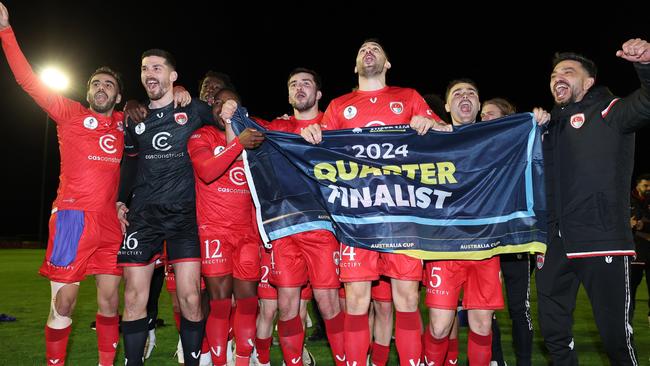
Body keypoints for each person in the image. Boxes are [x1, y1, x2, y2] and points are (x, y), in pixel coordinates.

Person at [300, 39, 450, 366]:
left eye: (376, 49)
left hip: (402, 214)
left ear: (388, 63)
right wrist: (313, 132)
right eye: (362, 50)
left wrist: (432, 125)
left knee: (407, 300)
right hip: (357, 219)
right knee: (355, 302)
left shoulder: (408, 97)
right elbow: (320, 152)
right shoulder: (340, 106)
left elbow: (446, 136)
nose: (369, 52)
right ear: (355, 66)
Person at [0, 3, 124, 365]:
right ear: (88, 92)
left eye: (109, 85)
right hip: (72, 219)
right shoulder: (69, 114)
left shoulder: (126, 124)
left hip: (111, 224)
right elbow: (27, 81)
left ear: (117, 96)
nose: (101, 88)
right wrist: (6, 31)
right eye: (95, 84)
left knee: (110, 302)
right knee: (64, 303)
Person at [536, 38, 650, 365]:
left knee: (615, 337)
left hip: (602, 240)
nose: (558, 76)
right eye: (554, 73)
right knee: (554, 333)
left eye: (568, 72)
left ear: (588, 82)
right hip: (554, 243)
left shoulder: (609, 111)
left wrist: (645, 65)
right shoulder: (548, 126)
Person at [117, 48, 214, 366]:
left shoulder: (195, 109)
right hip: (143, 215)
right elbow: (129, 164)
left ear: (173, 76)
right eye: (144, 68)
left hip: (184, 214)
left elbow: (232, 119)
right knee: (133, 296)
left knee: (189, 297)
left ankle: (193, 360)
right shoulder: (135, 117)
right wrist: (121, 199)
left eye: (157, 68)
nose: (149, 73)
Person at [263, 68, 346, 365]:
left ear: (318, 93)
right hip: (285, 228)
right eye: (293, 84)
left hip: (324, 228)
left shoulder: (335, 125)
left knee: (328, 303)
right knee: (287, 307)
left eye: (306, 83)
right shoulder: (276, 128)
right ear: (288, 93)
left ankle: (342, 360)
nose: (299, 88)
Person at [188, 87, 265, 366]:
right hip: (214, 231)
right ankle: (220, 361)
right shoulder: (201, 136)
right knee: (219, 304)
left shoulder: (255, 135)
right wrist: (238, 144)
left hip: (247, 233)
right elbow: (207, 172)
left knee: (247, 302)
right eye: (219, 103)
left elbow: (284, 135)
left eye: (231, 103)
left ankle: (243, 360)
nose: (224, 108)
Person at [481, 98, 534, 366]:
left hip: (514, 244)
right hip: (485, 245)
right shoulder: (475, 150)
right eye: (483, 115)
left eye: (491, 115)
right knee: (485, 310)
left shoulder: (520, 149)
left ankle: (524, 361)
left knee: (519, 308)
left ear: (507, 119)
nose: (484, 119)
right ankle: (495, 360)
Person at [630, 173, 650, 326]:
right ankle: (627, 319)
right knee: (631, 287)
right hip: (635, 251)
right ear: (638, 185)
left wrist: (643, 225)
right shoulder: (628, 200)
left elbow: (640, 223)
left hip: (648, 250)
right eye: (645, 185)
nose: (648, 189)